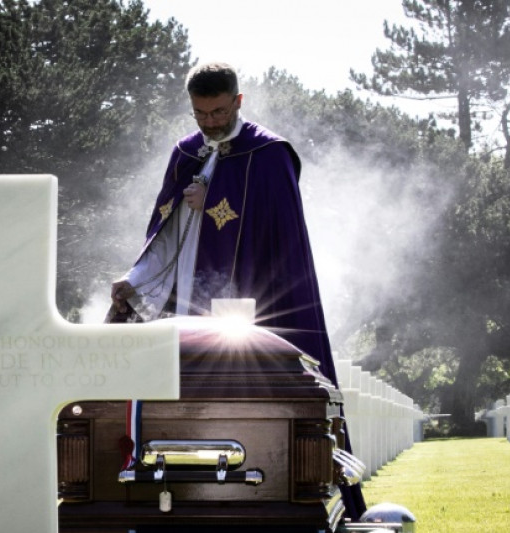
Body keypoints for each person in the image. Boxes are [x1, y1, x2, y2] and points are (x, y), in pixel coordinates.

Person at [108, 62, 366, 518]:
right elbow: (166, 232)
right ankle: (185, 493)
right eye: (200, 113)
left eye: (219, 111)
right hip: (189, 296)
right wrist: (137, 277)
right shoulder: (185, 152)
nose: (210, 121)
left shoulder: (269, 153)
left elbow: (276, 231)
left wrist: (212, 203)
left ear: (238, 101)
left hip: (253, 302)